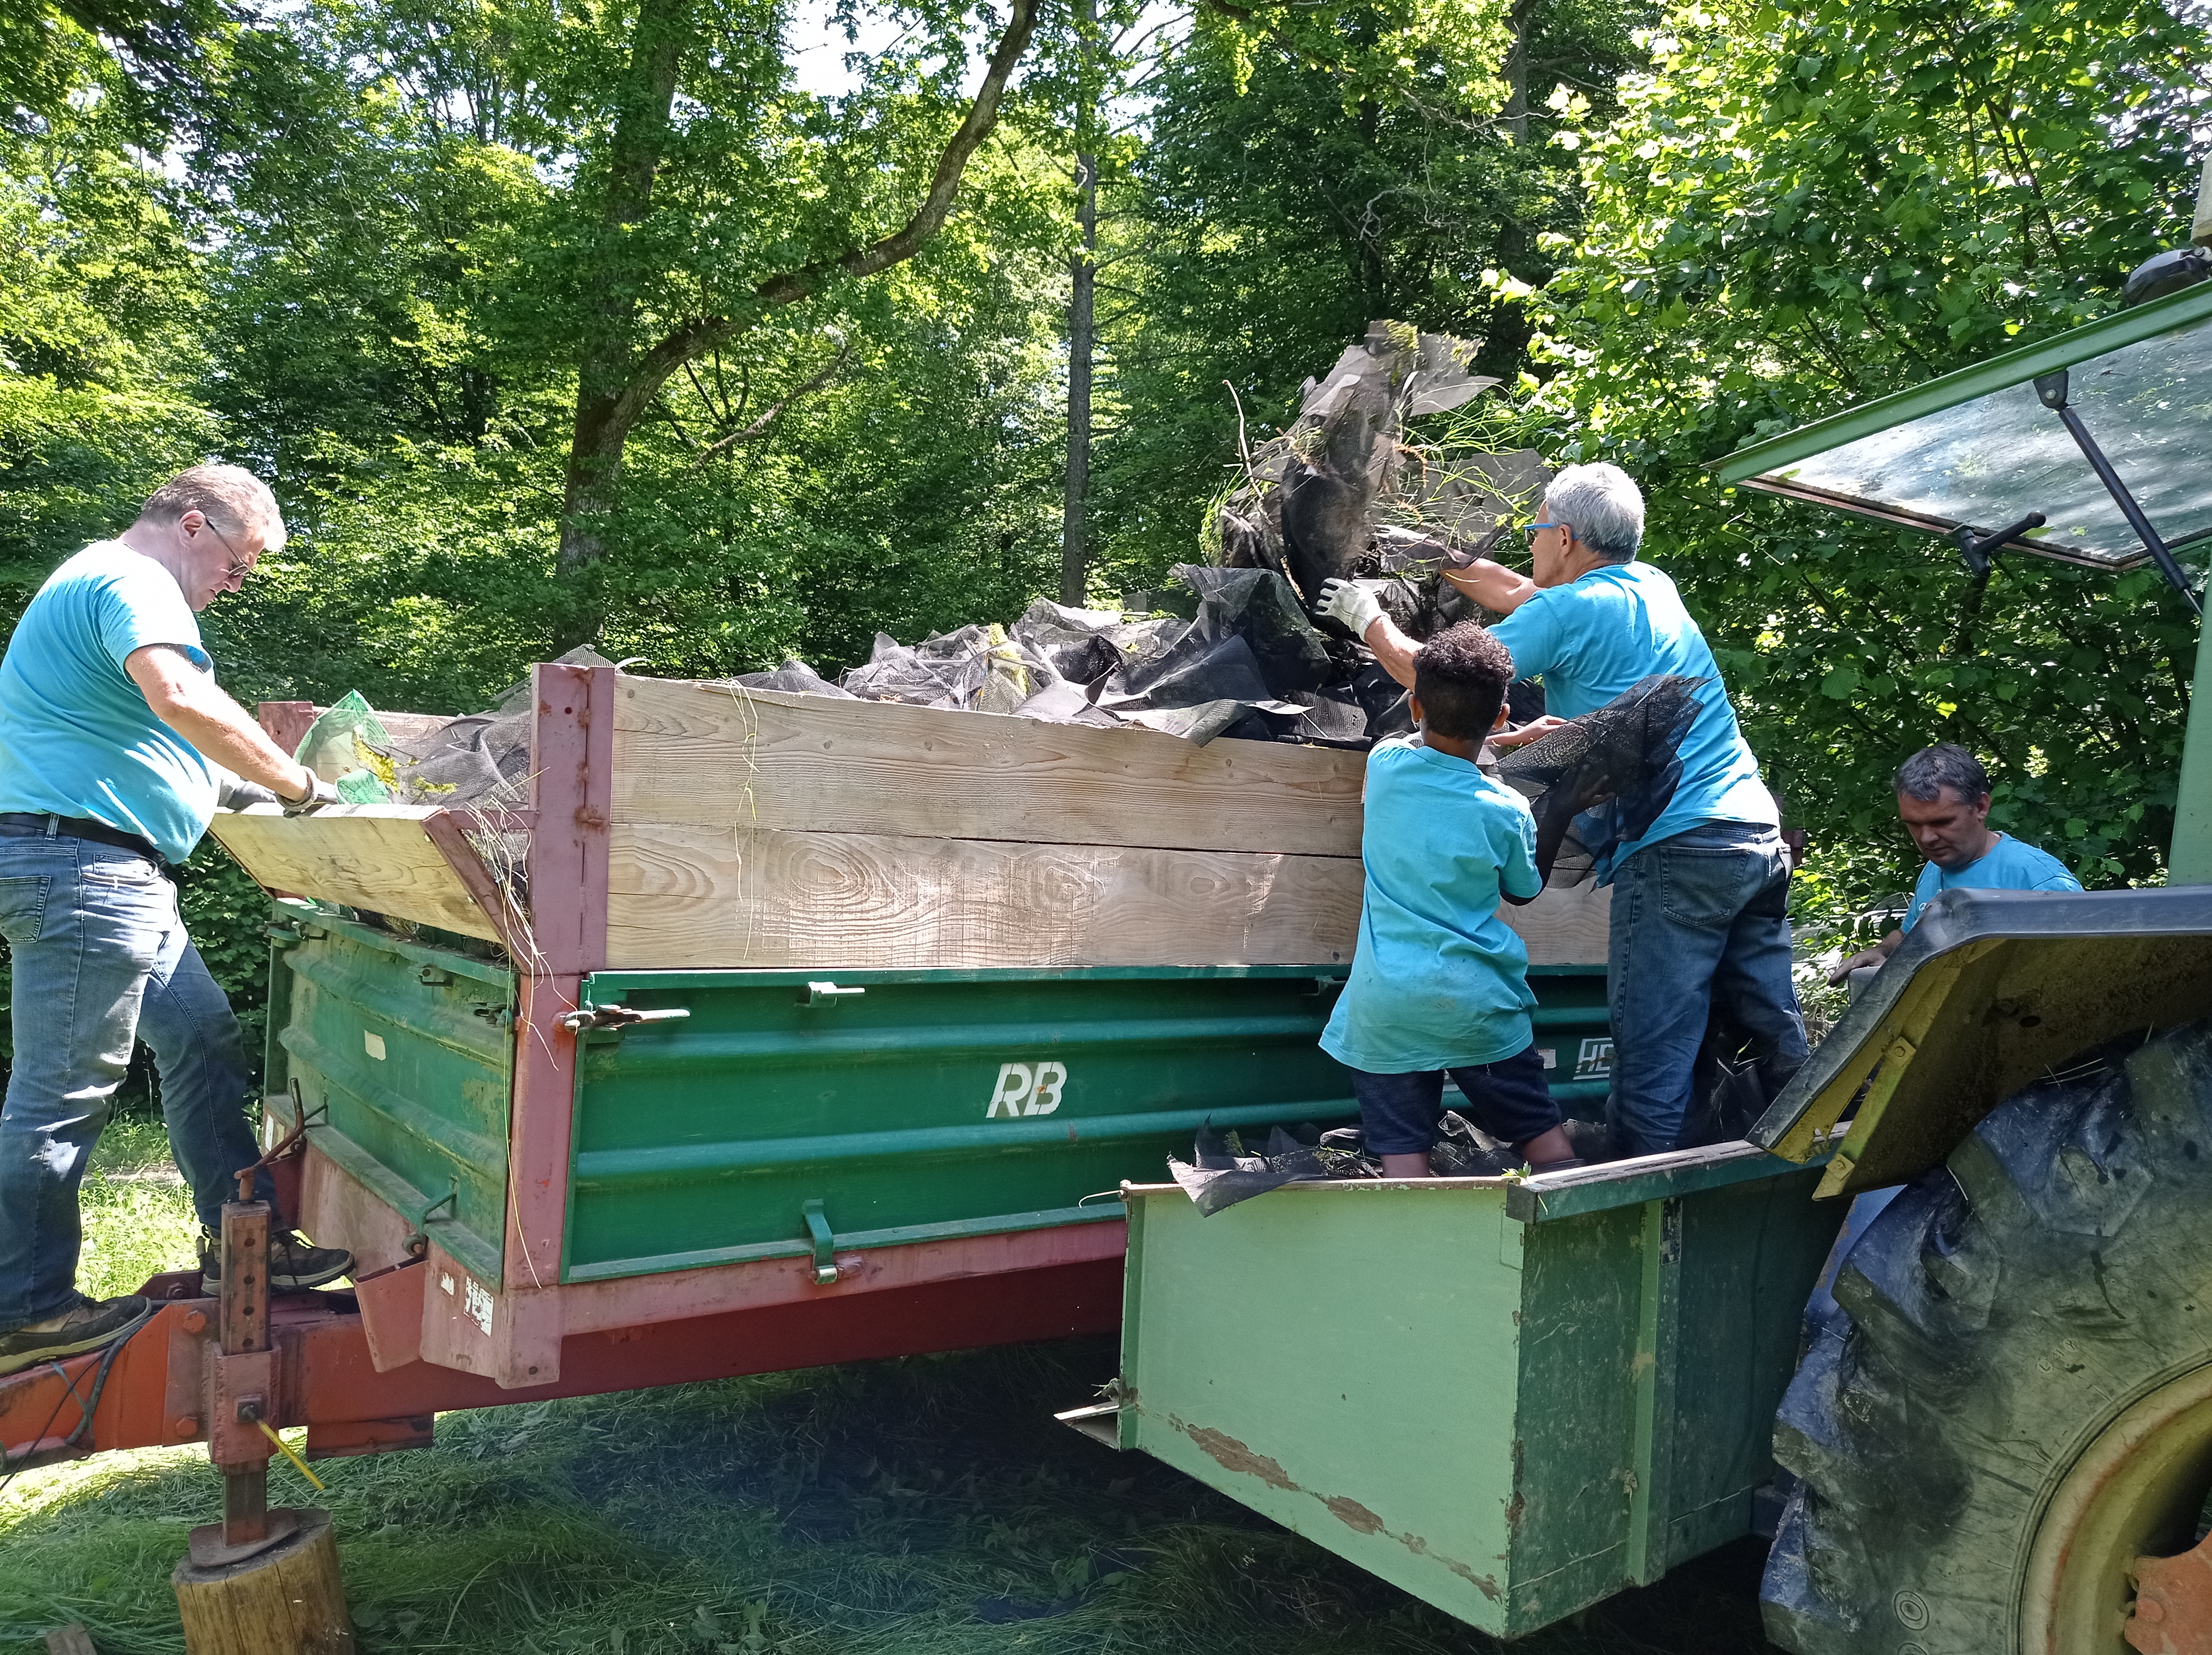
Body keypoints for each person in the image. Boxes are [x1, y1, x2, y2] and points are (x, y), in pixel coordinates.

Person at [1320, 461, 1803, 1159]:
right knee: (1771, 1025)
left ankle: (1636, 1205)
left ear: (1568, 537)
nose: (1532, 540)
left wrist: (1371, 621)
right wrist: (1434, 555)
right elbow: (1520, 592)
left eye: (1538, 527)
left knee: (1653, 1044)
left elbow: (1441, 676)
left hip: (1678, 847)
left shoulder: (1567, 612)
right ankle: (1814, 1153)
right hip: (1753, 835)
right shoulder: (1650, 588)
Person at [0, 465, 350, 1377]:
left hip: (115, 875)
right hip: (85, 871)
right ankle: (25, 1308)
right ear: (194, 525)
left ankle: (248, 1243)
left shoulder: (108, 587)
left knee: (200, 1037)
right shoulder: (129, 581)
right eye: (241, 561)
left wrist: (262, 785)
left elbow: (168, 746)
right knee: (63, 1091)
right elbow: (183, 702)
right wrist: (301, 783)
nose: (239, 581)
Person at [1317, 621, 1581, 1178]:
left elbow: (1429, 751)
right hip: (1476, 1004)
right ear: (1501, 715)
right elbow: (1524, 889)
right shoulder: (1505, 808)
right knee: (1547, 1145)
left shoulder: (1385, 766)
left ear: (1415, 706)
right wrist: (1511, 745)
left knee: (1403, 1163)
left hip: (1387, 1006)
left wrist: (1495, 739)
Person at [1828, 743, 2083, 986]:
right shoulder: (1935, 868)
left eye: (1942, 822)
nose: (1927, 838)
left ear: (1981, 807)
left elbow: (2086, 964)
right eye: (1913, 825)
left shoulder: (2037, 877)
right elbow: (1911, 937)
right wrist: (1883, 950)